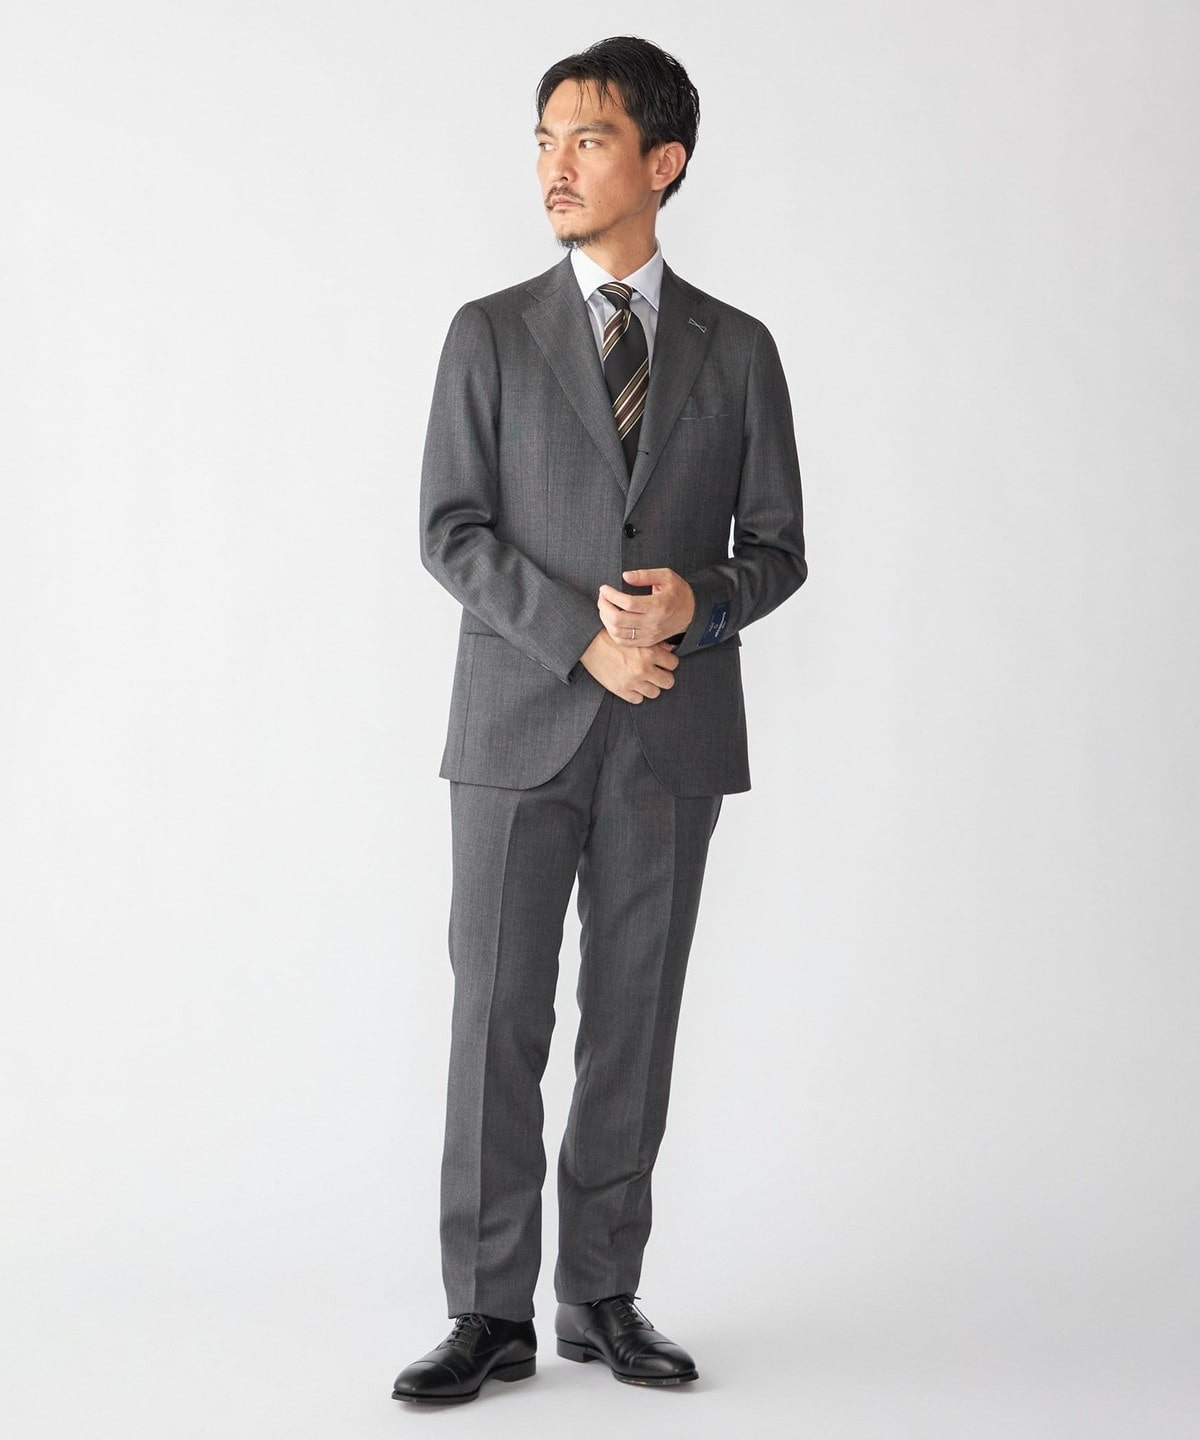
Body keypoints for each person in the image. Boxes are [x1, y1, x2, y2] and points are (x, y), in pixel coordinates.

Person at [392, 35, 807, 1405]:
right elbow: (450, 530)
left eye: (588, 138)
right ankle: (486, 1311)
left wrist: (697, 602)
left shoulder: (738, 350)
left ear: (662, 161)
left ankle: (601, 1296)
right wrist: (582, 636)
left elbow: (779, 550)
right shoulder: (489, 334)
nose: (555, 166)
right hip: (518, 724)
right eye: (544, 138)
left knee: (634, 1020)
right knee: (496, 1019)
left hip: (671, 736)